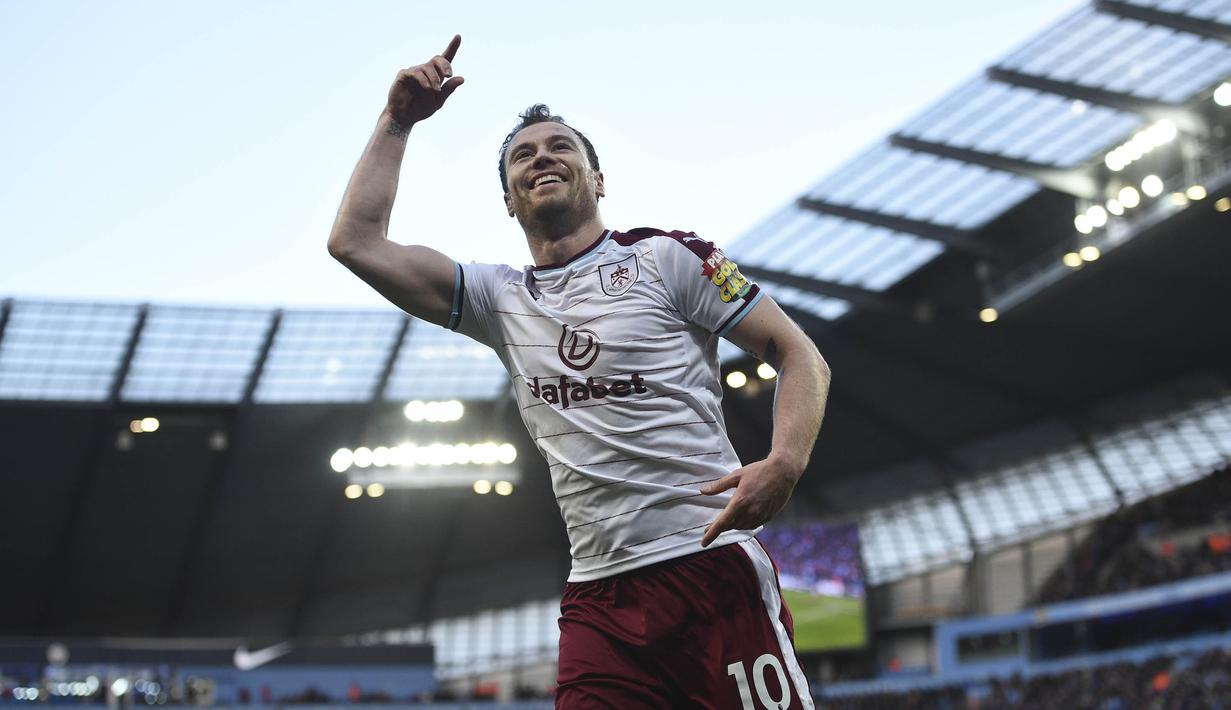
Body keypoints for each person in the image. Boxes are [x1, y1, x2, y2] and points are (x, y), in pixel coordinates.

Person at [328, 35, 831, 710]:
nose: (541, 156)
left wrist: (786, 461)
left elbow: (800, 354)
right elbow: (354, 242)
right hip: (599, 597)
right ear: (509, 200)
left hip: (706, 564)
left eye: (560, 146)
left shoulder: (673, 259)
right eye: (522, 155)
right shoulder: (496, 298)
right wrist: (397, 122)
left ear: (597, 180)